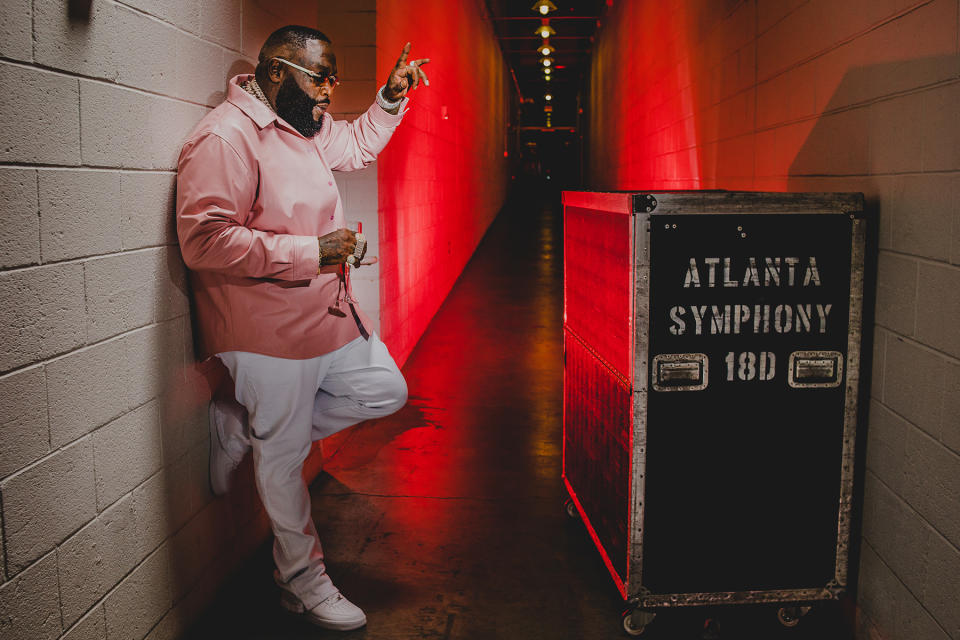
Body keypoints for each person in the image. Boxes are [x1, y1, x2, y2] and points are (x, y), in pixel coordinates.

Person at [176, 25, 430, 632]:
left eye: (333, 79)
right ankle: (301, 583)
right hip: (262, 328)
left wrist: (389, 98)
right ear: (275, 71)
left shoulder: (305, 126)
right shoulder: (225, 137)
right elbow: (203, 239)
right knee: (285, 457)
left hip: (324, 315)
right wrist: (313, 251)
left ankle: (243, 424)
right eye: (320, 78)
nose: (329, 93)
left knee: (384, 390)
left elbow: (358, 145)